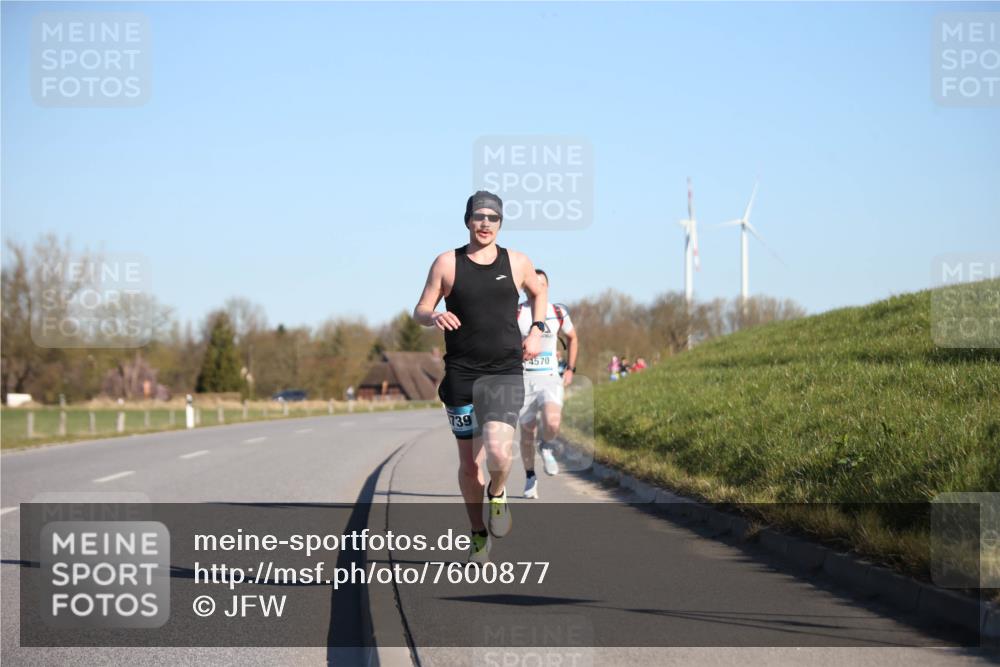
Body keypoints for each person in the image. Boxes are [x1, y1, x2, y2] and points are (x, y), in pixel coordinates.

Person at [414, 190, 547, 562]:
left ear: (500, 223)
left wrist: (536, 329)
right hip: (462, 373)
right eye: (479, 217)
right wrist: (433, 316)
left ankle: (499, 494)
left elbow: (540, 290)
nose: (485, 223)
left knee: (500, 453)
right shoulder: (447, 263)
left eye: (492, 217)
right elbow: (420, 308)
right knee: (470, 466)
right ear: (468, 220)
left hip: (504, 370)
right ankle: (476, 532)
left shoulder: (518, 262)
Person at [516, 270, 579, 498]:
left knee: (552, 422)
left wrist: (570, 369)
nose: (537, 289)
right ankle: (530, 476)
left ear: (548, 287)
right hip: (523, 379)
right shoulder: (517, 312)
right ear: (525, 288)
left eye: (542, 285)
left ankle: (546, 445)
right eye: (533, 285)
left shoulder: (557, 312)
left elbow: (573, 338)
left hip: (550, 377)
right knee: (526, 431)